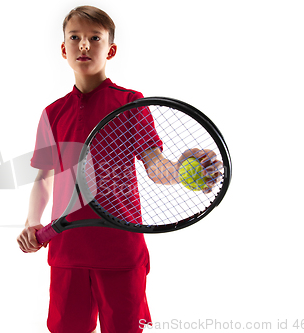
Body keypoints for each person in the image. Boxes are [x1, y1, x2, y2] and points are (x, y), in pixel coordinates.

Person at [17, 5, 220, 333]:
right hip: (67, 251)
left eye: (94, 38)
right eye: (75, 37)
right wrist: (31, 224)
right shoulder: (52, 113)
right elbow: (44, 179)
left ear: (110, 49)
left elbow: (156, 166)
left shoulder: (130, 103)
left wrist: (183, 169)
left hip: (121, 250)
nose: (84, 45)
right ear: (63, 49)